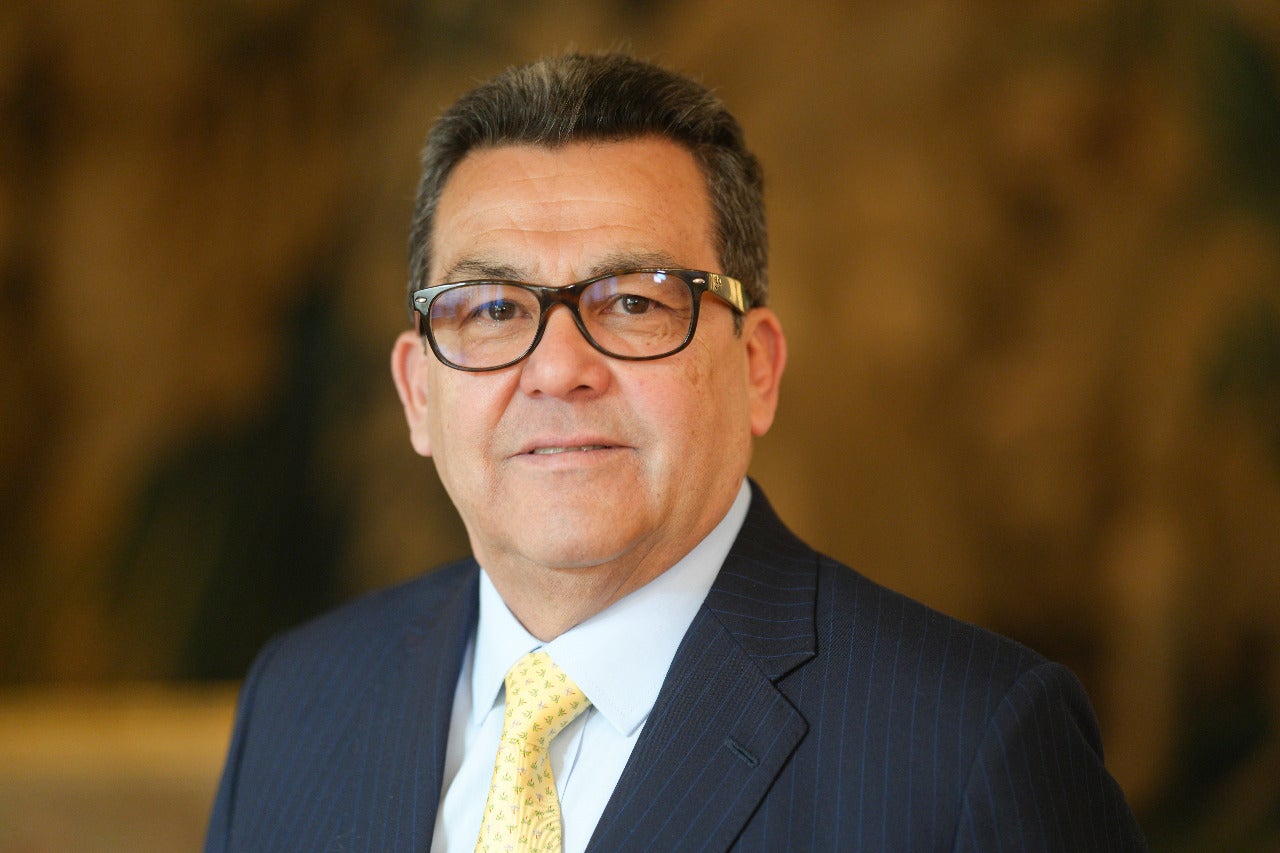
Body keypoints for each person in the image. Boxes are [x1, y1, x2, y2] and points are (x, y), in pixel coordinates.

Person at [206, 52, 1146, 852]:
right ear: (419, 392)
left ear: (758, 369)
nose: (557, 369)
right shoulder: (299, 700)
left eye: (635, 301)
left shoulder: (969, 746)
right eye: (493, 309)